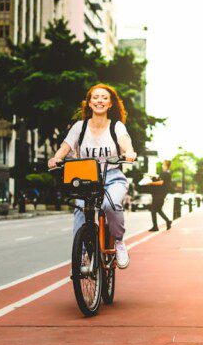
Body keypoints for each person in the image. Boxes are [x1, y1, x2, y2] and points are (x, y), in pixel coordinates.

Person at [48, 84, 137, 269]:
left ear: (110, 104)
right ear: (89, 103)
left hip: (112, 177)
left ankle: (119, 242)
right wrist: (57, 157)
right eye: (95, 97)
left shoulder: (116, 126)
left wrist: (129, 152)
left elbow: (125, 142)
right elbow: (65, 146)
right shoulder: (79, 127)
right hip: (86, 180)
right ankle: (82, 256)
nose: (99, 101)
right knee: (81, 211)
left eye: (104, 98)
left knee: (109, 205)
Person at [146, 160, 173, 232]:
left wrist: (151, 183)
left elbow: (161, 182)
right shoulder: (168, 173)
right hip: (162, 194)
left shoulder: (164, 173)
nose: (162, 165)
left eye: (163, 164)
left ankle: (155, 226)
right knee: (158, 209)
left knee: (153, 210)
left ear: (166, 165)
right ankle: (168, 221)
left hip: (158, 194)